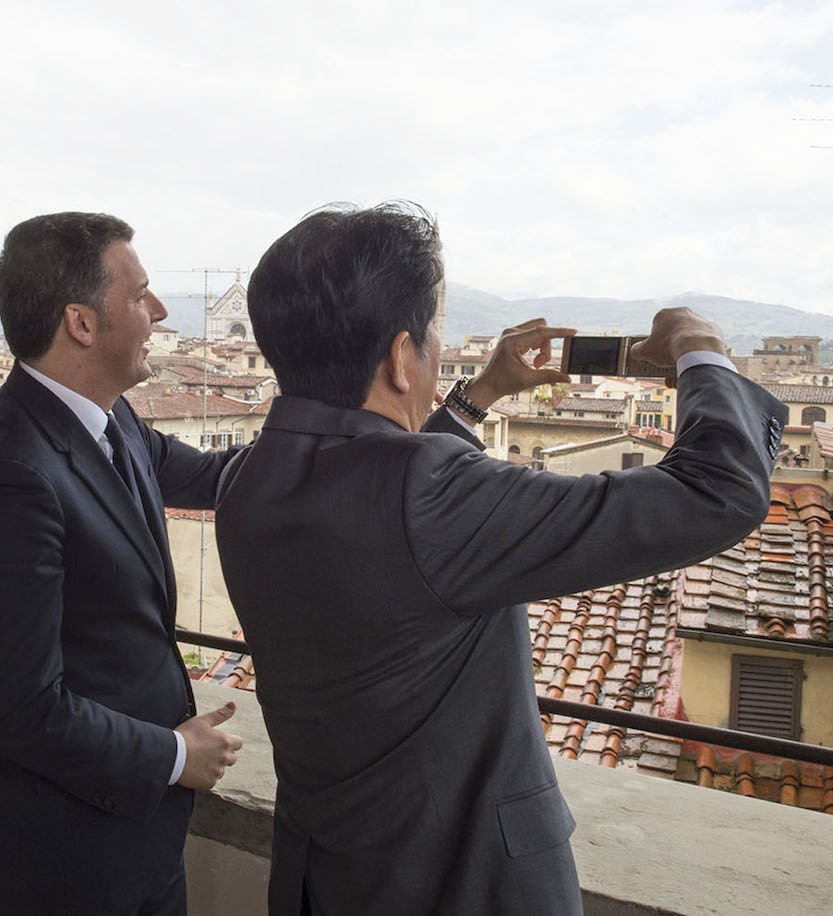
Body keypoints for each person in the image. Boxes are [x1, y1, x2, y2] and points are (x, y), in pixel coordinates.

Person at [214, 202, 789, 915]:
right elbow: (716, 493)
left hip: (326, 877)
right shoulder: (425, 497)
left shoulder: (248, 481)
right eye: (431, 337)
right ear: (400, 358)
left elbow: (382, 486)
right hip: (463, 886)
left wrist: (480, 394)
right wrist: (701, 348)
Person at [0, 212, 245, 915]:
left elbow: (218, 477)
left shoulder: (111, 420)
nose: (159, 312)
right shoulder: (9, 475)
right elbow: (22, 708)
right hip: (60, 865)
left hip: (132, 845)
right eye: (138, 295)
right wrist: (174, 756)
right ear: (80, 322)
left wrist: (356, 433)